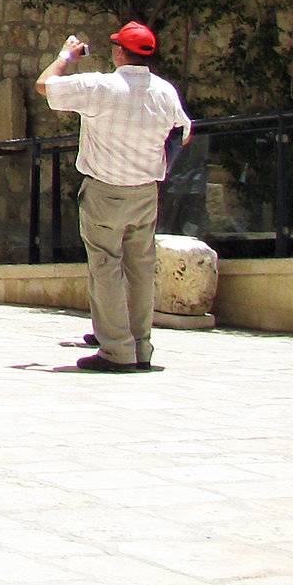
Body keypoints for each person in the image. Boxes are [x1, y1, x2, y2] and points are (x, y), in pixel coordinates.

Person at [35, 20, 191, 373]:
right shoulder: (166, 91)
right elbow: (183, 133)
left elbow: (46, 85)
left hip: (105, 190)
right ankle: (141, 347)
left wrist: (66, 55)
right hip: (145, 192)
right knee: (140, 268)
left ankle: (116, 350)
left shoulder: (101, 86)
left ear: (120, 51)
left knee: (105, 267)